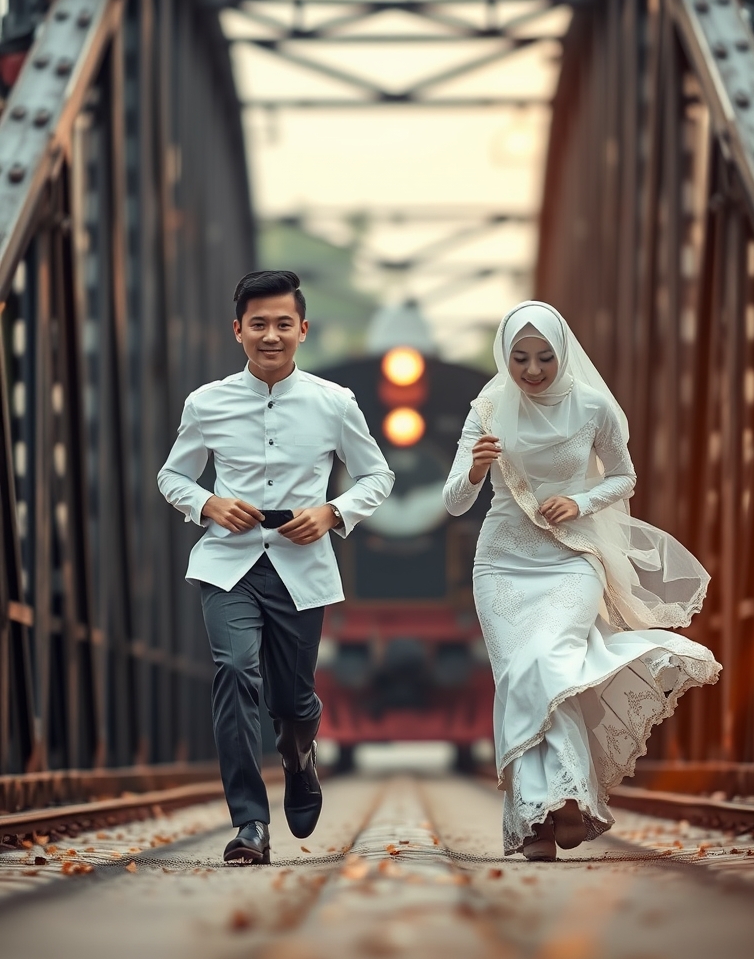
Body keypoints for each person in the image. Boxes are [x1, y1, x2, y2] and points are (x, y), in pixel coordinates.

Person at [443, 301, 720, 862]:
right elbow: (453, 502)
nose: (533, 370)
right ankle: (542, 818)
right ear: (505, 356)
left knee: (550, 665)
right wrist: (475, 468)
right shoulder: (490, 407)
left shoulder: (593, 407)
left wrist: (581, 499)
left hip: (573, 558)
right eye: (519, 358)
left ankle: (564, 801)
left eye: (545, 357)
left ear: (562, 351)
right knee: (524, 676)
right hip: (501, 563)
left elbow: (624, 476)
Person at [158, 270, 394, 865]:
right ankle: (250, 825)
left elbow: (378, 475)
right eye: (258, 324)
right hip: (226, 563)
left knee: (292, 700)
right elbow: (172, 475)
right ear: (237, 330)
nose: (271, 335)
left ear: (303, 329)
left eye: (283, 324)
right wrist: (206, 502)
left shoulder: (334, 403)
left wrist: (333, 514)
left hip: (300, 566)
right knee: (236, 672)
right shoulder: (205, 402)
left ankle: (298, 755)